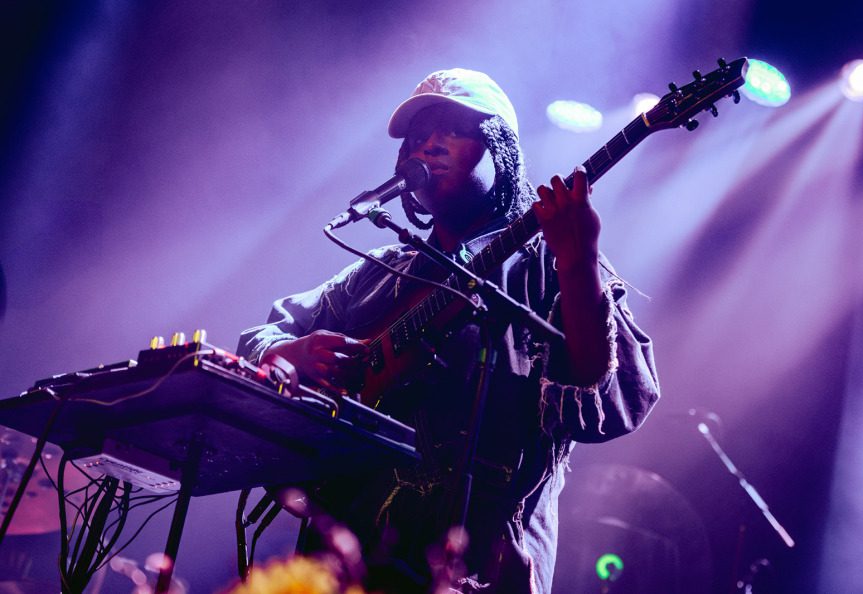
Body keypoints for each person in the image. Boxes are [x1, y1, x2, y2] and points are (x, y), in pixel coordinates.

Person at [237, 68, 660, 594]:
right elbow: (261, 336)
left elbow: (616, 402)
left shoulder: (554, 261)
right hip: (348, 560)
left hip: (484, 568)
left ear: (498, 147)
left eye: (452, 130)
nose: (428, 145)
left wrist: (579, 264)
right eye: (415, 138)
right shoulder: (379, 270)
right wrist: (290, 351)